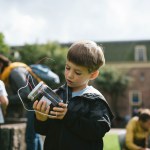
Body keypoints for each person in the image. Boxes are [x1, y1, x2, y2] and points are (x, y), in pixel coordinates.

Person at [33, 40, 114, 150]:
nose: (70, 75)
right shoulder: (56, 94)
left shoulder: (95, 100)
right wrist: (40, 118)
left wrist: (67, 116)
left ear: (93, 74)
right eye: (67, 68)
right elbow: (43, 130)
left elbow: (97, 131)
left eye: (78, 72)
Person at [0, 54, 43, 150]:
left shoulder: (14, 72)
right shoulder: (15, 70)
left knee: (30, 137)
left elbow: (25, 94)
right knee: (34, 136)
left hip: (36, 103)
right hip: (38, 102)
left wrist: (7, 99)